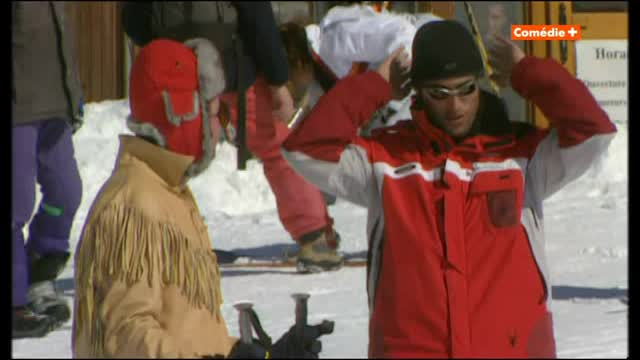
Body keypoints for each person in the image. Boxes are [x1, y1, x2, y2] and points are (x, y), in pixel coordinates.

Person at [282, 20, 616, 358]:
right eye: (439, 94)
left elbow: (594, 131)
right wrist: (374, 87)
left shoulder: (521, 157)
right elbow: (303, 150)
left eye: (465, 89)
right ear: (419, 93)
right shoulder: (384, 161)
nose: (455, 106)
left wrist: (528, 74)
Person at [72, 38, 332, 358]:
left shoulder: (167, 191)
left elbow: (188, 331)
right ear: (181, 112)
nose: (220, 128)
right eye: (212, 112)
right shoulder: (135, 205)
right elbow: (127, 337)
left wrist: (258, 354)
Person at [122, 2, 345, 273]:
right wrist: (277, 80)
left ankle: (151, 237)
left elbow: (133, 20)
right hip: (231, 67)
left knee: (169, 156)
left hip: (176, 68)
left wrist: (167, 50)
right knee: (278, 146)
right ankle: (315, 237)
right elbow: (257, 17)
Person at [12, 1, 84, 339]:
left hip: (54, 106)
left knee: (66, 192)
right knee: (15, 205)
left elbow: (60, 43)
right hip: (17, 109)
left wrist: (74, 99)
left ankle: (38, 275)